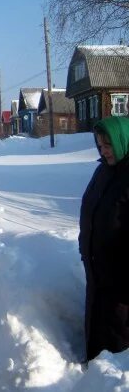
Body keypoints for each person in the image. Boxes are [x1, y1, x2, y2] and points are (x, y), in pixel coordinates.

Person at [79, 116, 129, 362]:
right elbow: (91, 211)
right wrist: (85, 248)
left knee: (116, 346)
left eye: (108, 145)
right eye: (100, 145)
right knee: (95, 335)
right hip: (97, 276)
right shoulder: (103, 170)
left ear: (122, 142)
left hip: (121, 288)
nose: (103, 150)